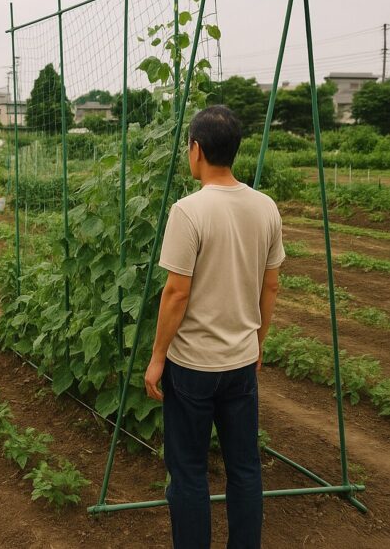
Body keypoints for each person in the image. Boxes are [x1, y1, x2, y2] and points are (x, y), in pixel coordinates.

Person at [144, 105, 284, 549]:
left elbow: (176, 293)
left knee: (188, 470)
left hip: (193, 367)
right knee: (244, 468)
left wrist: (157, 356)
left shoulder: (188, 211)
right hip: (240, 362)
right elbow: (272, 285)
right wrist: (256, 342)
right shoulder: (265, 208)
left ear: (197, 150)